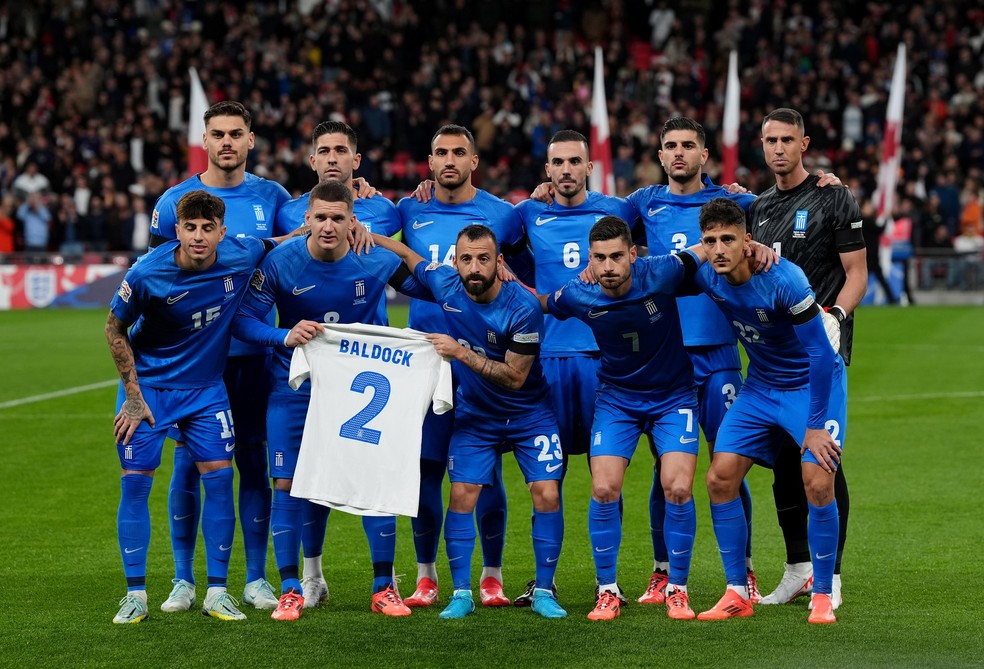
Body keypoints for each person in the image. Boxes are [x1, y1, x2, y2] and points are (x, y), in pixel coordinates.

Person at [233, 180, 429, 620]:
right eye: (320, 217)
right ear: (307, 219)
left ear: (351, 221)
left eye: (337, 218)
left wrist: (392, 246)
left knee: (375, 479)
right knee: (286, 483)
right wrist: (283, 335)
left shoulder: (373, 259)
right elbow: (243, 321)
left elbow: (435, 290)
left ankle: (383, 587)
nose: (328, 226)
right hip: (295, 389)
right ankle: (290, 588)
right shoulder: (281, 261)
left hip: (358, 391)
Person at [105, 190, 285, 624]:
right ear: (177, 230)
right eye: (190, 228)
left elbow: (282, 241)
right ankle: (135, 595)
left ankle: (217, 593)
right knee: (136, 484)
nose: (199, 237)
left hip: (206, 391)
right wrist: (133, 396)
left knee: (220, 481)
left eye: (208, 228)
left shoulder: (242, 253)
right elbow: (114, 329)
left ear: (223, 232)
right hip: (150, 391)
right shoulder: (147, 272)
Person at [373, 224, 567, 620]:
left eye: (483, 259)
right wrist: (363, 235)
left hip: (529, 414)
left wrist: (461, 353)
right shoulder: (446, 285)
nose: (474, 267)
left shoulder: (523, 307)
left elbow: (514, 377)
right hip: (477, 415)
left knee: (547, 493)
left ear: (499, 262)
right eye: (466, 259)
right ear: (455, 262)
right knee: (462, 494)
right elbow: (407, 255)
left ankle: (545, 592)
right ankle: (461, 593)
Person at [149, 101, 293, 612]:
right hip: (193, 363)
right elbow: (155, 279)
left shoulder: (274, 197)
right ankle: (183, 580)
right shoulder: (174, 202)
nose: (227, 142)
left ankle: (255, 579)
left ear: (251, 139)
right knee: (188, 464)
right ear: (205, 140)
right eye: (218, 134)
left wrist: (357, 189)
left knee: (252, 462)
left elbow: (315, 222)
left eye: (236, 133)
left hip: (253, 354)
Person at [690, 197, 845, 625]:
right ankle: (737, 592)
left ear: (748, 241)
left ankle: (823, 593)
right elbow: (658, 270)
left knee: (817, 482)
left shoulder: (785, 279)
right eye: (710, 241)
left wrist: (815, 426)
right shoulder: (705, 272)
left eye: (728, 239)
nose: (719, 249)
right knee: (720, 478)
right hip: (760, 387)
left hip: (811, 384)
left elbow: (820, 354)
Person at [397, 125, 533, 608]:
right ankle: (426, 576)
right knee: (426, 470)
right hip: (425, 361)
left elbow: (525, 275)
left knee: (485, 470)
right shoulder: (408, 209)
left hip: (482, 362)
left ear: (474, 161)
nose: (450, 160)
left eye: (459, 152)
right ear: (430, 162)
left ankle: (492, 576)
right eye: (441, 153)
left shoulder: (504, 215)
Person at [544, 216, 705, 621]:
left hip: (673, 398)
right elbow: (543, 302)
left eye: (617, 256)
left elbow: (707, 249)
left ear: (633, 254)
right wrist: (503, 282)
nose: (609, 266)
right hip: (618, 400)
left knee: (678, 487)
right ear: (589, 259)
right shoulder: (578, 293)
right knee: (603, 488)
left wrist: (751, 247)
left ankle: (678, 590)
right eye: (600, 258)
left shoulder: (662, 272)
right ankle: (608, 591)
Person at [275, 120, 402, 607]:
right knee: (304, 476)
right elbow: (272, 257)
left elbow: (406, 266)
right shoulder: (287, 210)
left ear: (356, 159)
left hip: (368, 368)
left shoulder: (385, 209)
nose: (332, 157)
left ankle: (386, 582)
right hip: (305, 370)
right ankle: (309, 577)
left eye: (341, 150)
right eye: (324, 150)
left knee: (374, 473)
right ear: (312, 161)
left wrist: (370, 232)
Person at [511, 130, 638, 605]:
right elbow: (499, 246)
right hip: (545, 362)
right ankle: (544, 581)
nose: (566, 170)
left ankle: (609, 582)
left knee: (606, 477)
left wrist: (731, 191)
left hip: (603, 362)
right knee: (548, 478)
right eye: (558, 162)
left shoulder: (618, 210)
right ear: (547, 170)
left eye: (574, 161)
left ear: (589, 167)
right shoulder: (528, 212)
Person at [749, 108, 865, 610]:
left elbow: (857, 272)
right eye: (770, 140)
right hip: (775, 358)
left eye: (786, 139)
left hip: (820, 352)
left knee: (823, 462)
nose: (778, 148)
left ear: (804, 144)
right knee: (781, 463)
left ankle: (829, 574)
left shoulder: (833, 196)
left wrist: (836, 314)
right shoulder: (757, 206)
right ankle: (798, 568)